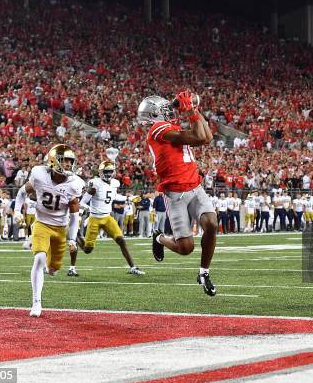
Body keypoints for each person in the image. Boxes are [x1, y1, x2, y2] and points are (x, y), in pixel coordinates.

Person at [139, 90, 218, 296]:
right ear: (155, 114)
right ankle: (159, 239)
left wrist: (195, 109)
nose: (169, 111)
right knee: (185, 248)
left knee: (211, 223)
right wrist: (191, 111)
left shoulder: (170, 127)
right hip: (174, 194)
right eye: (164, 110)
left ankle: (204, 272)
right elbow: (200, 136)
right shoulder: (157, 128)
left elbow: (207, 137)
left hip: (195, 186)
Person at [13, 144, 85, 317]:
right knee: (39, 258)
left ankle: (50, 266)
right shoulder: (39, 175)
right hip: (41, 223)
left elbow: (75, 216)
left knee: (53, 270)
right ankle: (36, 302)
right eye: (64, 161)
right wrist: (16, 211)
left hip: (60, 228)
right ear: (53, 161)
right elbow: (22, 192)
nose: (68, 165)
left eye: (70, 162)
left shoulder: (74, 184)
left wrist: (72, 239)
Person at [75, 160, 144, 276]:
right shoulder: (95, 183)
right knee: (87, 250)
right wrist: (84, 211)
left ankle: (133, 267)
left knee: (121, 241)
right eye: (106, 171)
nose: (108, 174)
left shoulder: (114, 183)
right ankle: (76, 236)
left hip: (107, 217)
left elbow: (114, 196)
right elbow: (83, 201)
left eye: (110, 171)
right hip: (95, 218)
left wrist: (130, 199)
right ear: (101, 172)